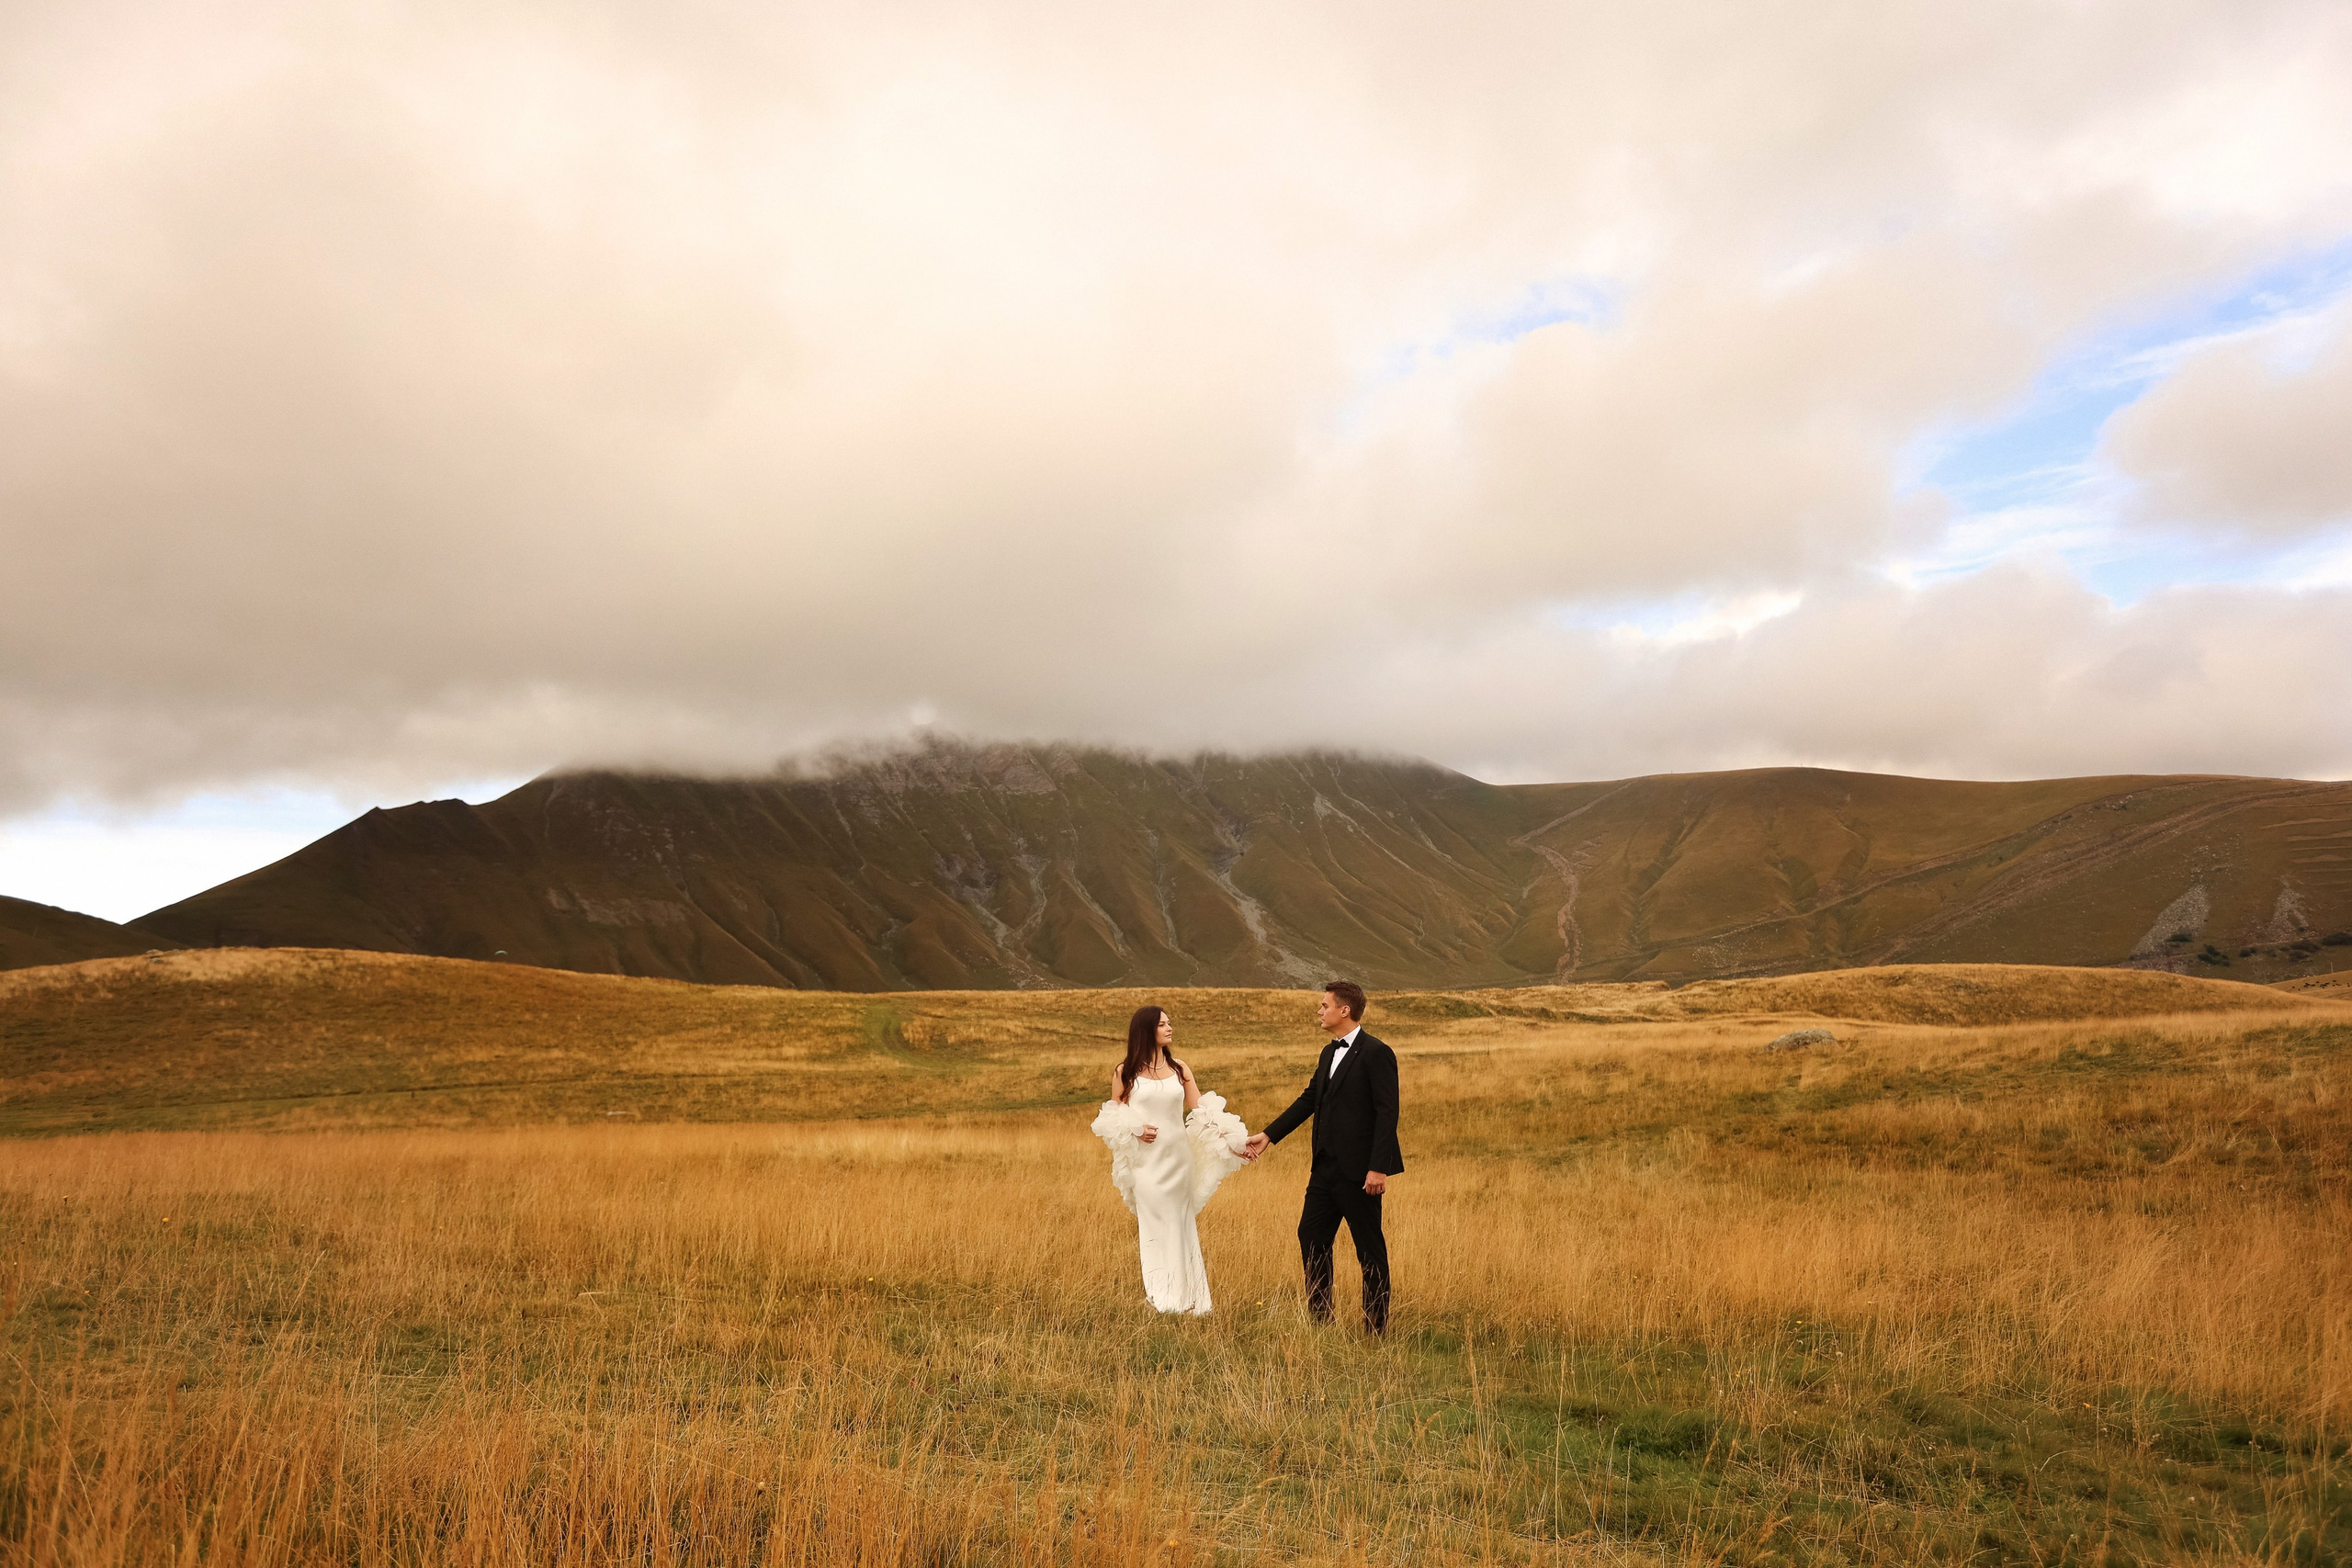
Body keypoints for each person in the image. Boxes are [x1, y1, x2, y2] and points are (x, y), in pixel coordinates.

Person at [1240, 979, 1401, 1333]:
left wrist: (1378, 1168)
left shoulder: (1377, 1053)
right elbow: (1308, 1100)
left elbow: (1388, 1114)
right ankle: (1320, 1320)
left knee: (1369, 1249)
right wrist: (1268, 1135)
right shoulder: (1328, 1052)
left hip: (1361, 1174)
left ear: (1345, 1010)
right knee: (1310, 1236)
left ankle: (1376, 1328)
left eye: (1324, 1005)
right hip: (1324, 1170)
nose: (1319, 1010)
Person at [1090, 1006, 1251, 1314]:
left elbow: (1203, 1111)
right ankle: (1163, 1298)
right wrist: (1135, 1129)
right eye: (1162, 1024)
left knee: (1180, 1223)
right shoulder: (1125, 1071)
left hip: (1179, 1161)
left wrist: (1235, 1142)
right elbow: (1111, 1117)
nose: (1169, 1028)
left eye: (1169, 1023)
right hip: (1146, 1165)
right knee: (1153, 1224)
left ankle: (1191, 1299)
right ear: (1146, 1029)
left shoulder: (1180, 1069)